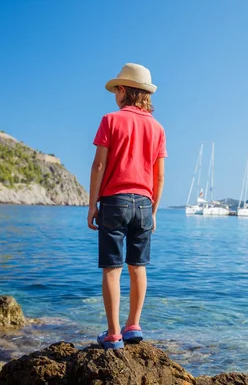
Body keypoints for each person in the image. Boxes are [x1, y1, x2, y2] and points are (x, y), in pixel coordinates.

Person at [87, 63, 167, 350]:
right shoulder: (157, 128)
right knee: (138, 266)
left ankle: (112, 334)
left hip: (115, 201)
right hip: (145, 203)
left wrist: (92, 205)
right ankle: (133, 326)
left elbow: (99, 165)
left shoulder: (110, 120)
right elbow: (159, 175)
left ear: (123, 90)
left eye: (116, 90)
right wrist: (154, 211)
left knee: (112, 268)